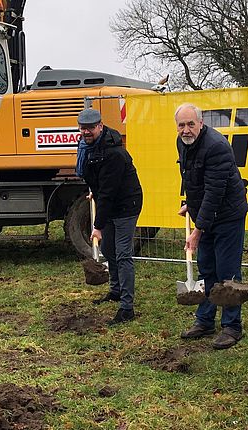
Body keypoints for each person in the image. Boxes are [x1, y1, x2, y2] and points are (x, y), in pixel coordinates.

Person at [174, 103, 248, 350]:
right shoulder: (182, 143)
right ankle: (205, 320)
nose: (186, 130)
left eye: (190, 124)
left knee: (227, 271)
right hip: (205, 214)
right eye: (181, 125)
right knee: (207, 268)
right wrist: (190, 204)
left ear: (201, 123)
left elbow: (215, 192)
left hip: (228, 215)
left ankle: (232, 326)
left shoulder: (216, 147)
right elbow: (193, 179)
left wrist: (197, 230)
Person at [75, 108, 143, 325]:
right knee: (107, 249)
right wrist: (93, 188)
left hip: (126, 205)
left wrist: (97, 226)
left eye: (91, 128)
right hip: (110, 201)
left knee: (123, 254)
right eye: (83, 128)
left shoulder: (112, 153)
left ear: (100, 127)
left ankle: (127, 307)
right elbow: (96, 178)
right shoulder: (87, 147)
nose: (87, 132)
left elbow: (109, 192)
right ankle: (115, 290)